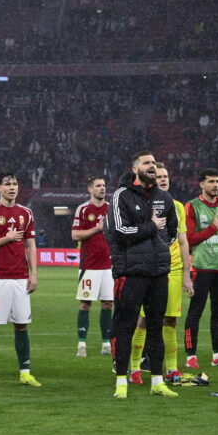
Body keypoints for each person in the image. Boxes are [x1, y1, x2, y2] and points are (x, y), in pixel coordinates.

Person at [108, 151, 179, 399]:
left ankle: (158, 382)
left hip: (158, 271)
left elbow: (172, 231)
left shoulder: (164, 197)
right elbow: (119, 231)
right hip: (131, 271)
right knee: (125, 326)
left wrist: (157, 246)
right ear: (135, 168)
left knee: (156, 327)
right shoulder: (121, 195)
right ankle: (121, 380)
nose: (152, 167)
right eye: (147, 163)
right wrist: (150, 228)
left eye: (154, 163)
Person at [129, 163, 194, 384]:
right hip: (150, 268)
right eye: (159, 176)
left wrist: (187, 273)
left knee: (170, 320)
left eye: (166, 176)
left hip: (174, 269)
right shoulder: (142, 204)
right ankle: (135, 368)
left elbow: (183, 241)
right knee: (144, 320)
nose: (163, 179)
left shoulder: (177, 206)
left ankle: (172, 369)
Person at [0, 172, 40, 388]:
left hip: (21, 278)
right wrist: (7, 238)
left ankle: (25, 373)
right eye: (7, 184)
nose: (12, 187)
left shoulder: (26, 213)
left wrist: (33, 274)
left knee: (22, 326)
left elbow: (30, 245)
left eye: (15, 183)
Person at [183, 168, 218, 369]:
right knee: (195, 312)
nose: (215, 185)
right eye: (211, 181)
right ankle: (191, 357)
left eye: (217, 181)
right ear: (201, 184)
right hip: (202, 267)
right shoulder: (192, 206)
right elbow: (188, 238)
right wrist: (213, 228)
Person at [72, 176, 113, 358]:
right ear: (90, 189)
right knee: (85, 304)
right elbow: (75, 235)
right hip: (89, 265)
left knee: (108, 303)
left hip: (110, 265)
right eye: (98, 186)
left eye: (103, 185)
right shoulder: (83, 209)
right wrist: (96, 229)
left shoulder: (112, 209)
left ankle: (106, 343)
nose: (102, 188)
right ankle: (82, 343)